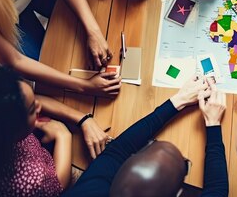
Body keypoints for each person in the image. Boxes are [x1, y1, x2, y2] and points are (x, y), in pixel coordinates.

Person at [0, 63, 111, 197]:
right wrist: (63, 134)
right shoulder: (32, 179)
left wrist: (82, 119)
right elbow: (58, 185)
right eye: (33, 109)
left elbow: (27, 98)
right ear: (11, 132)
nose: (39, 104)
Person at [63, 76, 228, 196]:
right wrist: (213, 122)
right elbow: (217, 192)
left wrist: (178, 101)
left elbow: (117, 152)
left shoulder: (88, 191)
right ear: (178, 194)